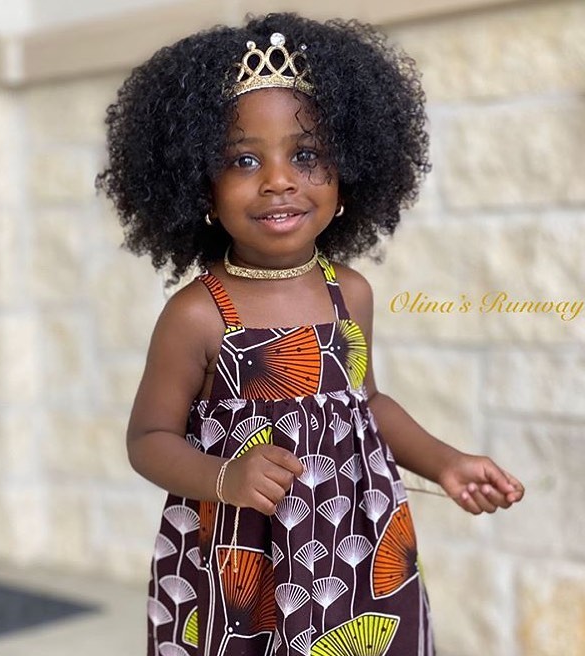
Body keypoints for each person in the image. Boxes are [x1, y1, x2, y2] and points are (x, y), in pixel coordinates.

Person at [96, 12, 524, 656]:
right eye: (243, 159)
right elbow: (148, 439)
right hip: (238, 561)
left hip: (359, 544)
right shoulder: (199, 313)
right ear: (199, 188)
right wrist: (224, 476)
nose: (279, 180)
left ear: (349, 172)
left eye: (307, 155)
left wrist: (446, 461)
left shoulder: (349, 293)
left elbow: (365, 404)